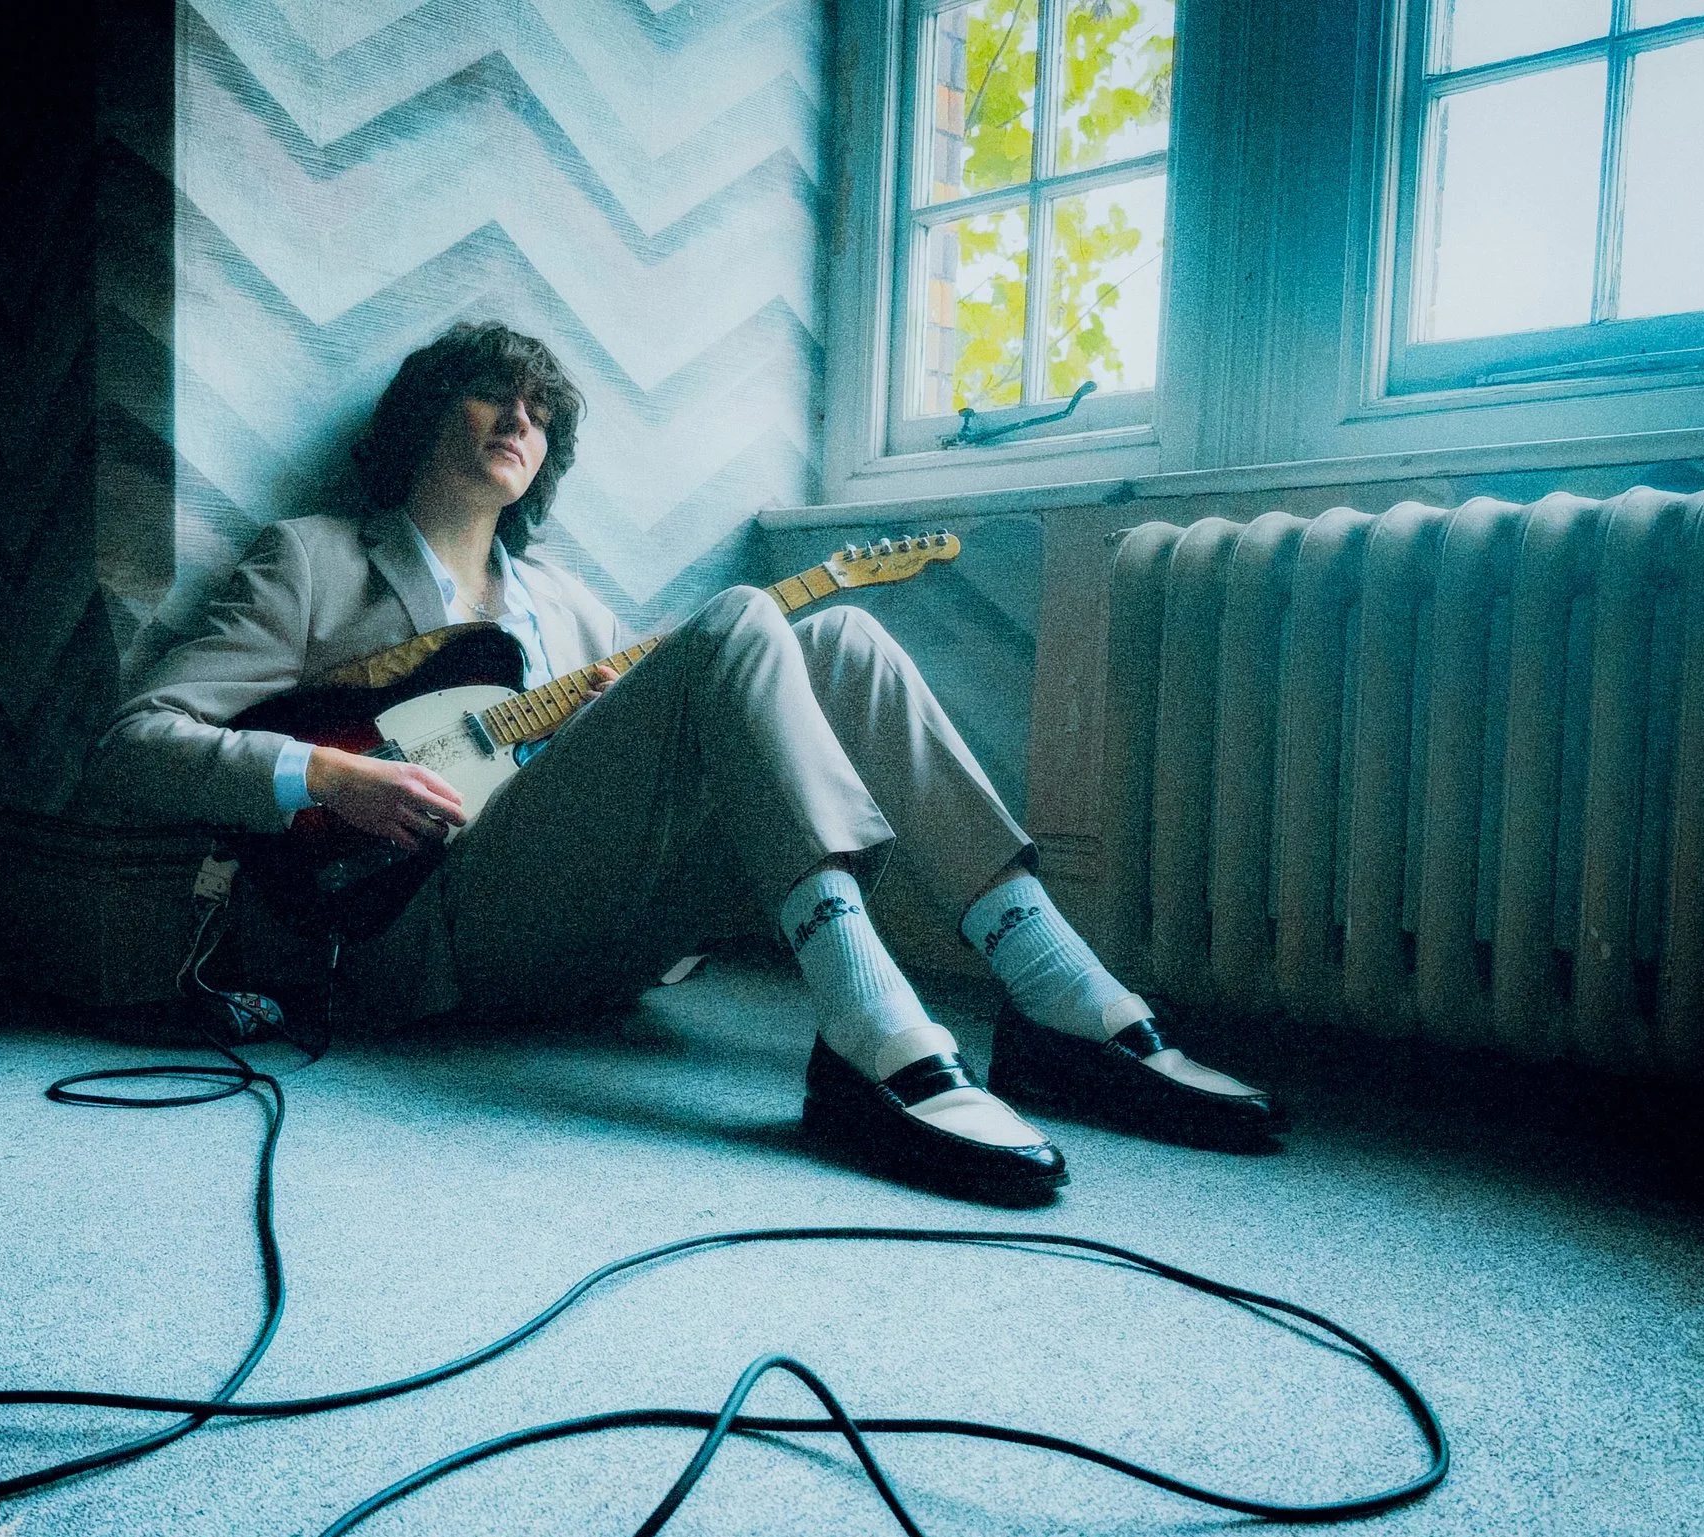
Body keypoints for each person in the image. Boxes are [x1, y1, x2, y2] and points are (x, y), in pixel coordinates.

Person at [87, 322, 1278, 1202]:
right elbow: (136, 744)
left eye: (540, 411)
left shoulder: (567, 600)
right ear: (418, 416)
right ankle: (874, 1036)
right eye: (488, 394)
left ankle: (1054, 993)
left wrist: (617, 714)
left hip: (601, 932)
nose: (519, 418)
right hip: (420, 926)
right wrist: (334, 778)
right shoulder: (314, 559)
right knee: (739, 620)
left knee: (843, 635)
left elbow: (686, 723)